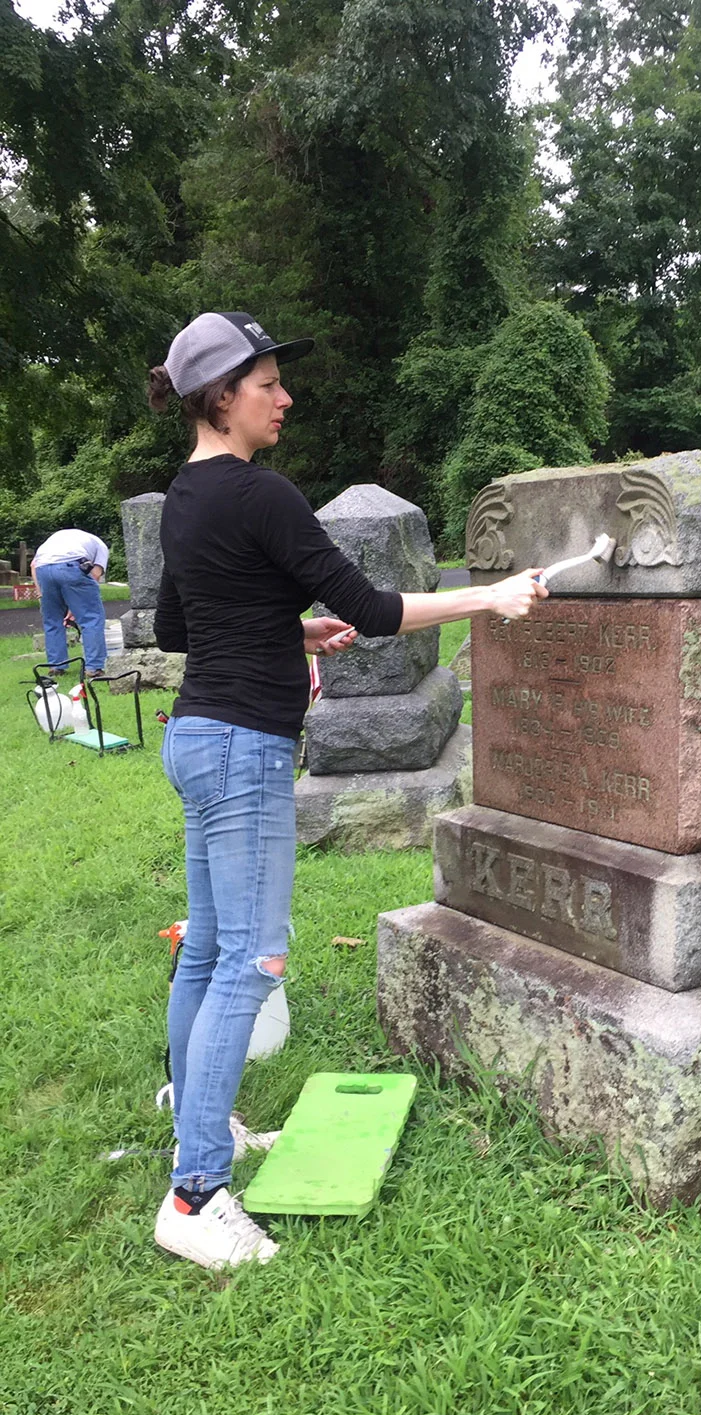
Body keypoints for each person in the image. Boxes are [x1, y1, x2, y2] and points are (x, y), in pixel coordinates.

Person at [146, 310, 547, 1270]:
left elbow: (176, 625)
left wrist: (291, 632)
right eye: (267, 383)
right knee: (252, 962)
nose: (284, 398)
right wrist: (490, 598)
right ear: (219, 397)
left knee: (207, 950)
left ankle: (203, 1118)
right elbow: (371, 608)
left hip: (197, 737)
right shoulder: (263, 494)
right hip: (241, 749)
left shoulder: (185, 497)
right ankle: (195, 1196)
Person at [31, 528, 110, 677]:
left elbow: (33, 565)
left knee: (53, 621)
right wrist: (76, 606)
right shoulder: (100, 546)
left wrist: (41, 594)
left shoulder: (57, 538)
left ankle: (56, 666)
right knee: (91, 618)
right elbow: (95, 575)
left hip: (43, 568)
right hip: (71, 565)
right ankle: (94, 668)